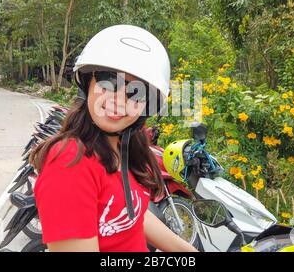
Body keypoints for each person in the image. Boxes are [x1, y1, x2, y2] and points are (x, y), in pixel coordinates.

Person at [29, 24, 198, 252]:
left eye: (137, 92)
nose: (119, 99)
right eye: (109, 81)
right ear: (87, 83)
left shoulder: (120, 148)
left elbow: (132, 215)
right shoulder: (70, 162)